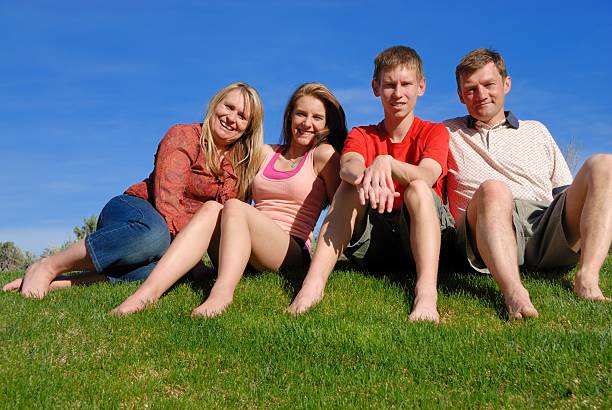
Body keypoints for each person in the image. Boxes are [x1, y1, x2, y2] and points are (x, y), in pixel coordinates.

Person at [2, 82, 265, 299]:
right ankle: (48, 266)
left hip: (176, 236)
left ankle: (67, 282)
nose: (232, 118)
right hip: (138, 211)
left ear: (248, 128)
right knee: (156, 236)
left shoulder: (240, 167)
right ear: (215, 105)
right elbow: (167, 202)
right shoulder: (184, 136)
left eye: (242, 116)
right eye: (229, 107)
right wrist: (192, 254)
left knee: (172, 270)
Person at [111, 82, 347, 317]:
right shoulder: (265, 153)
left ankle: (221, 293)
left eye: (317, 117)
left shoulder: (324, 156)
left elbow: (341, 211)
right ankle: (146, 294)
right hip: (246, 244)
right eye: (301, 114)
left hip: (289, 248)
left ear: (327, 124)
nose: (307, 123)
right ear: (289, 117)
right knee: (214, 207)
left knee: (233, 207)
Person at [287, 46, 453, 323]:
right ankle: (312, 286)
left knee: (418, 188)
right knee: (348, 186)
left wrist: (387, 163)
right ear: (376, 88)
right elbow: (348, 165)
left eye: (406, 84)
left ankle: (426, 294)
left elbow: (428, 174)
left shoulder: (434, 131)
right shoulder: (362, 134)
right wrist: (367, 174)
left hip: (423, 231)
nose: (397, 93)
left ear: (421, 87)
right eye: (389, 85)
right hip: (375, 237)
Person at [445, 48, 612, 320]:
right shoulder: (446, 133)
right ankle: (515, 293)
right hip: (484, 226)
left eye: (489, 85)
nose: (481, 95)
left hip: (542, 222)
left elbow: (564, 193)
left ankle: (587, 277)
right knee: (493, 189)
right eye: (471, 89)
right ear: (460, 95)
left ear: (506, 84)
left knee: (604, 163)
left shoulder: (536, 130)